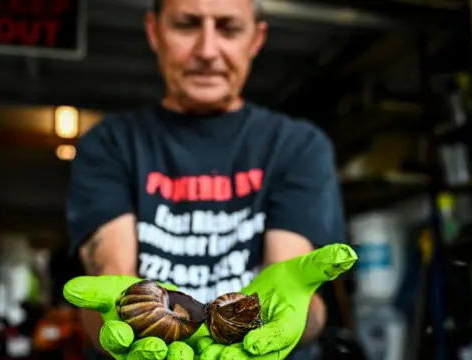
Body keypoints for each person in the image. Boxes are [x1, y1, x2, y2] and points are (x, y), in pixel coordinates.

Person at [65, 0, 346, 358]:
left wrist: (294, 304)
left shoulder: (298, 147)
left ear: (256, 39)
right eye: (187, 25)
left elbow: (288, 272)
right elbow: (112, 275)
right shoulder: (109, 144)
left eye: (228, 28)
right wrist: (122, 322)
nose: (207, 50)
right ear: (154, 31)